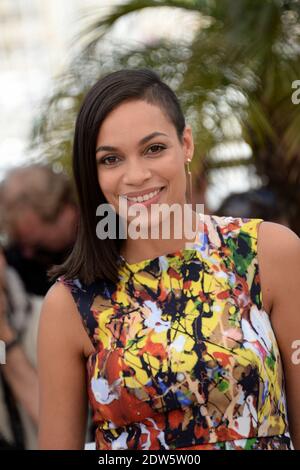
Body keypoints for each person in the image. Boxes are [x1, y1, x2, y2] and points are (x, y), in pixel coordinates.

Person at [38, 69, 300, 450]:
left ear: (187, 144)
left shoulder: (267, 252)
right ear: (92, 174)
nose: (137, 175)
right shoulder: (70, 305)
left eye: (154, 149)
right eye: (111, 159)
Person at [0, 164, 78, 296]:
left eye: (37, 245)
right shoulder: (14, 262)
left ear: (64, 215)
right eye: (20, 245)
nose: (27, 254)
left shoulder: (110, 241)